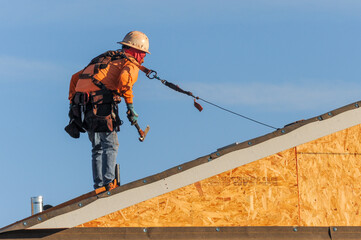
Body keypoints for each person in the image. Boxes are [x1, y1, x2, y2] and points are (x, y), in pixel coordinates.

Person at [66, 31, 150, 191]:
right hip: (101, 104)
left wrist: (72, 103)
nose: (144, 58)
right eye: (143, 54)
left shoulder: (106, 59)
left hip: (83, 106)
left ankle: (99, 185)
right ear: (137, 51)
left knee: (97, 146)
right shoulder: (130, 63)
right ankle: (108, 183)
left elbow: (75, 78)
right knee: (110, 145)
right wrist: (131, 107)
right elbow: (125, 82)